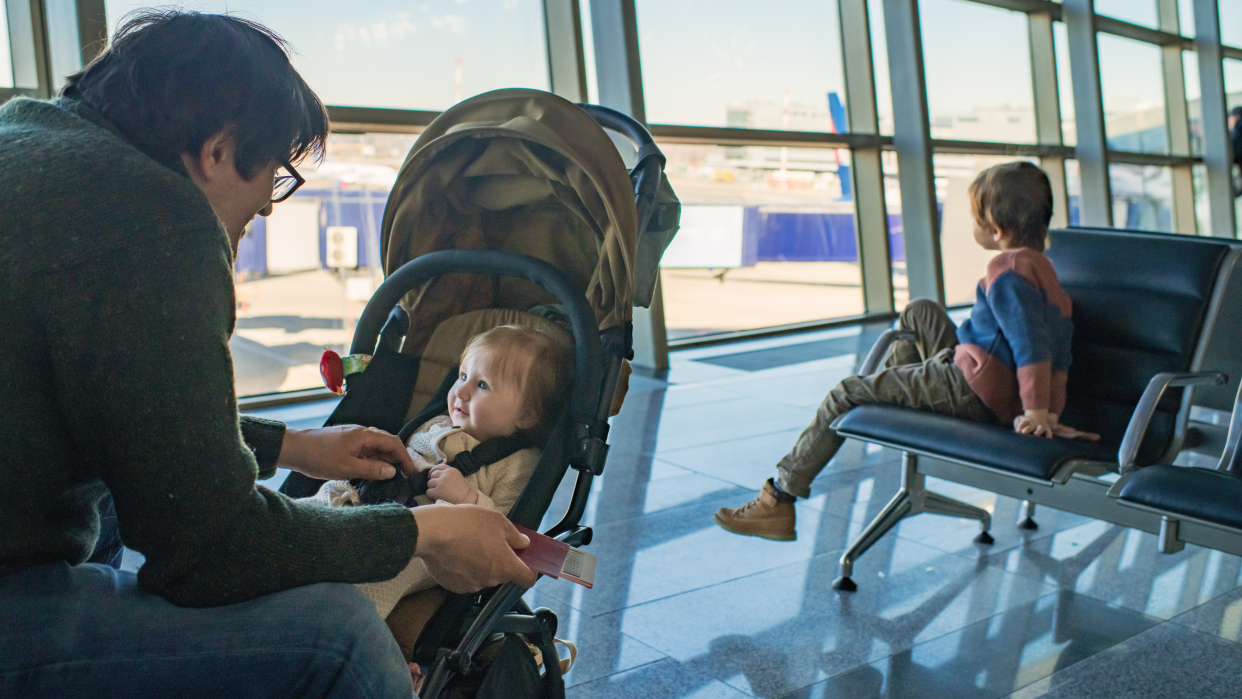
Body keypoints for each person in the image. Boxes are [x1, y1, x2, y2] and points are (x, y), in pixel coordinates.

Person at [0, 11, 535, 699]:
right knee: (339, 634)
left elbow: (119, 408)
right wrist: (418, 533)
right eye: (278, 172)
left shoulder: (26, 138)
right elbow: (210, 549)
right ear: (219, 150)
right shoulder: (156, 224)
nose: (272, 207)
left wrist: (298, 447)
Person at [714, 161, 1097, 542]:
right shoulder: (1046, 273)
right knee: (921, 312)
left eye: (975, 219)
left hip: (970, 386)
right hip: (980, 371)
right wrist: (1050, 410)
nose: (974, 226)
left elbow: (1032, 347)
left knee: (845, 392)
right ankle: (899, 392)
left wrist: (1035, 413)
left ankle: (780, 498)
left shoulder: (1007, 270)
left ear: (996, 230)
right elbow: (1058, 351)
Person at [307, 324, 572, 618]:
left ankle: (356, 636)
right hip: (362, 499)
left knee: (367, 588)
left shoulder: (518, 463)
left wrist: (467, 497)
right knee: (304, 513)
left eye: (482, 385)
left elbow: (506, 532)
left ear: (526, 414)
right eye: (462, 376)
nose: (461, 390)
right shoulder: (436, 423)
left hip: (424, 550)